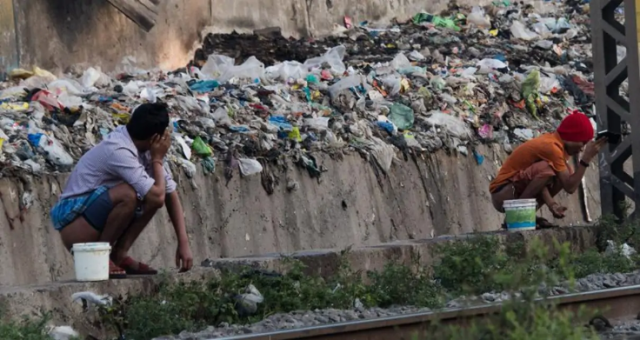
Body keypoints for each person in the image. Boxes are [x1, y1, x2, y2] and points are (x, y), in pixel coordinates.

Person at [50, 102, 193, 278]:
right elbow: (158, 198)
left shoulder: (145, 149)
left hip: (90, 218)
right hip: (74, 224)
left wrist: (183, 242)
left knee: (148, 191)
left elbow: (170, 193)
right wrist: (157, 159)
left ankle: (119, 254)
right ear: (156, 137)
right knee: (130, 194)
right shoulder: (119, 149)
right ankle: (101, 259)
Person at [489, 111, 607, 228]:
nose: (582, 149)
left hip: (510, 193)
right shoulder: (552, 148)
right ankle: (518, 215)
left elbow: (538, 183)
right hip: (502, 192)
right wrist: (586, 159)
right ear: (572, 137)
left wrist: (552, 205)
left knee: (563, 173)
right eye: (583, 142)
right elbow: (570, 187)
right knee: (550, 170)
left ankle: (525, 215)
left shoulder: (555, 146)